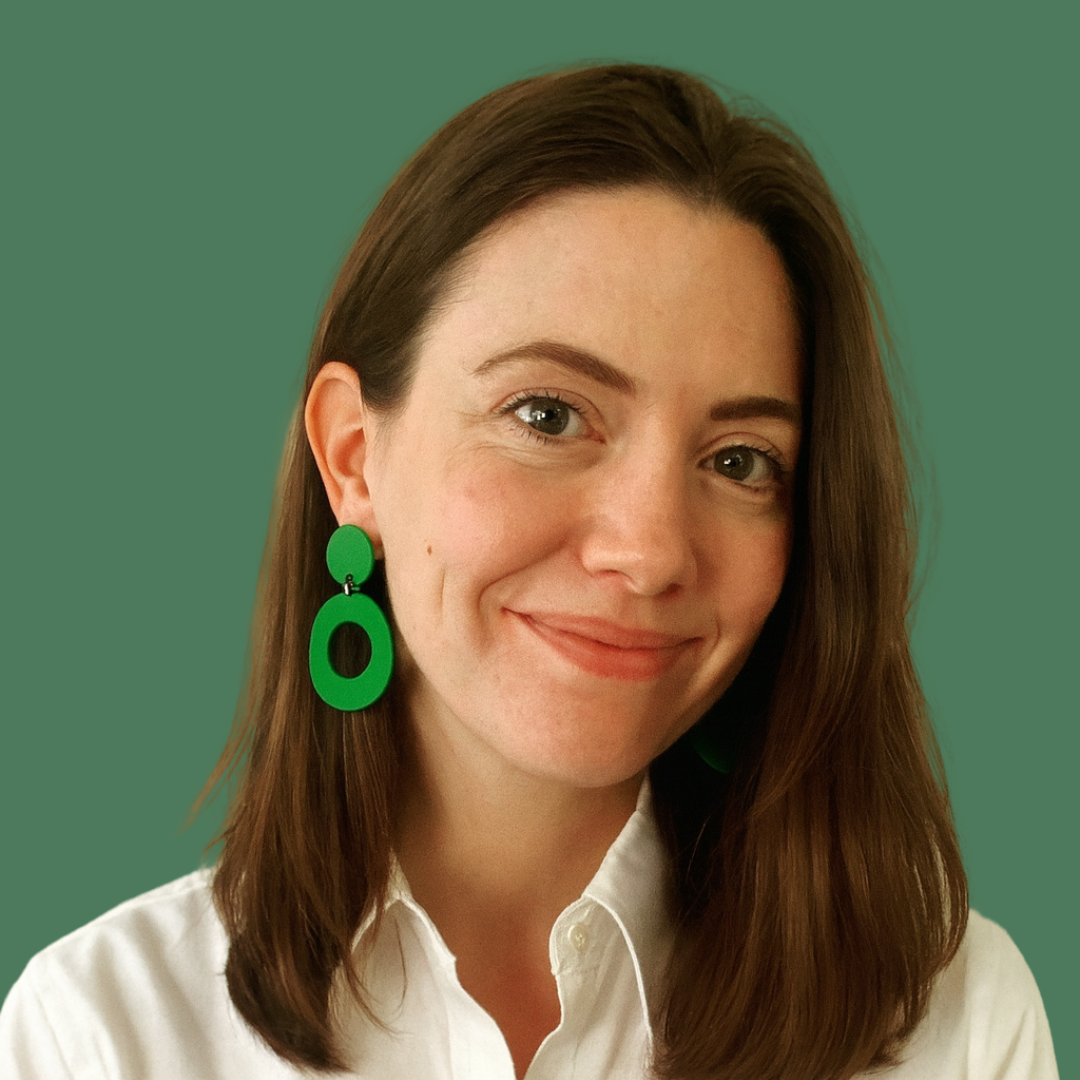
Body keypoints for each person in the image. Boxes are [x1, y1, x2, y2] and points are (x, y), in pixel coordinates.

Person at [0, 63, 1058, 1080]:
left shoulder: (951, 1021)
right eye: (546, 415)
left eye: (739, 461)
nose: (648, 552)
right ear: (354, 459)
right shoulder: (96, 1039)